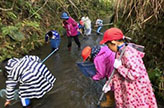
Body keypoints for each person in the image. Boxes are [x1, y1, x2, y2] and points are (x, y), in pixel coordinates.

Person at [100, 28, 158, 108]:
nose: (108, 48)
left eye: (108, 45)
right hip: (125, 89)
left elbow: (135, 74)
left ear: (113, 42)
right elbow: (116, 72)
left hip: (135, 92)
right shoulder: (119, 52)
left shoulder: (128, 53)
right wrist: (108, 84)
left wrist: (120, 67)